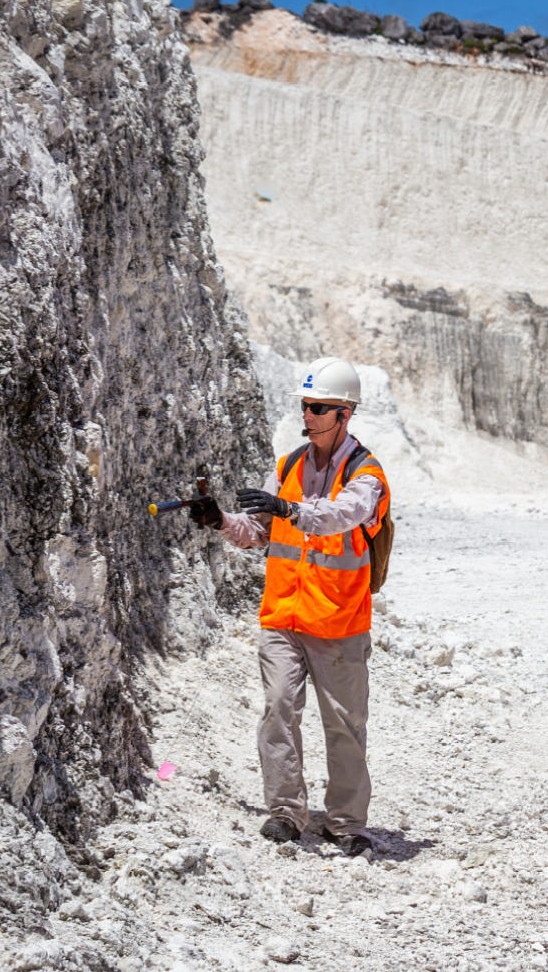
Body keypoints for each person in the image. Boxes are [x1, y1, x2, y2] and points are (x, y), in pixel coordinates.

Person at [190, 356, 390, 857]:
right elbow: (260, 531)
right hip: (283, 617)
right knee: (278, 709)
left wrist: (290, 509)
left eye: (319, 406)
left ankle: (345, 822)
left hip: (338, 624)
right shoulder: (290, 466)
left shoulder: (367, 475)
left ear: (345, 414)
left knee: (344, 726)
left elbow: (342, 515)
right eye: (306, 405)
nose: (310, 414)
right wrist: (220, 520)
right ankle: (286, 811)